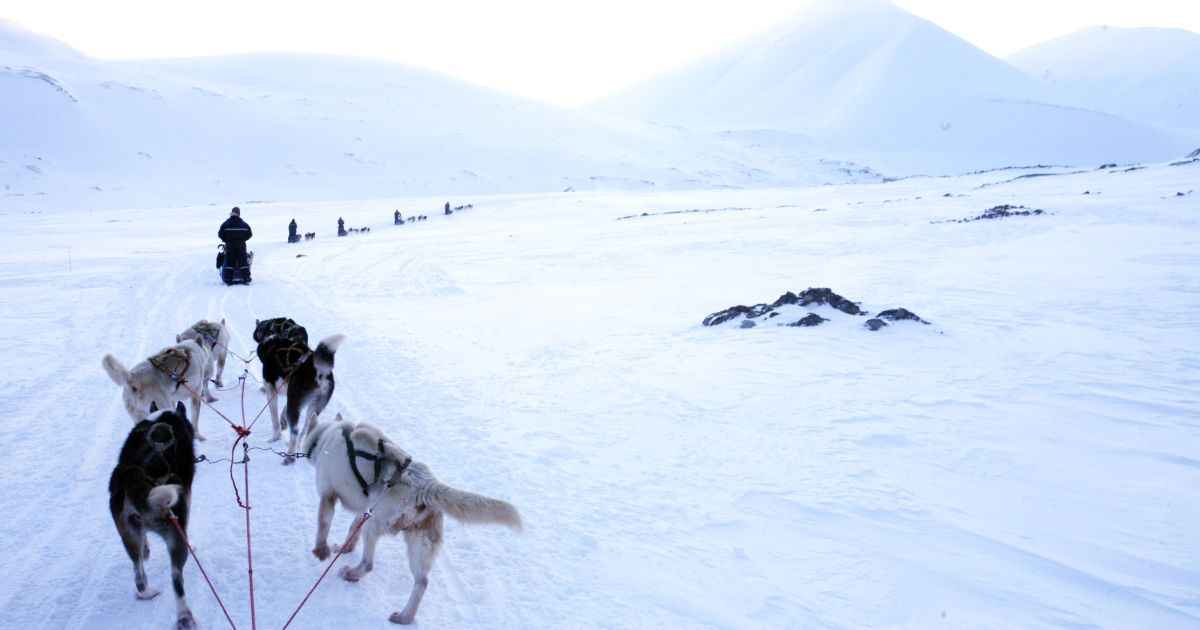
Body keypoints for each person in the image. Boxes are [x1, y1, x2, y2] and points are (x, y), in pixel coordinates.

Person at [218, 206, 253, 284]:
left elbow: (220, 234)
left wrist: (226, 240)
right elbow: (250, 234)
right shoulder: (244, 224)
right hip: (241, 245)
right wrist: (243, 239)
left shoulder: (225, 224)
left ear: (232, 213)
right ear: (239, 214)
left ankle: (228, 279)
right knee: (243, 261)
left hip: (230, 245)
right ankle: (246, 278)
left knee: (230, 261)